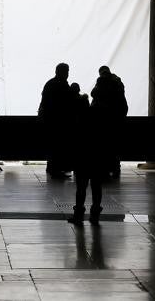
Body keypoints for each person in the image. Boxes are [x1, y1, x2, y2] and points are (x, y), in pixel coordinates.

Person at [67, 81, 109, 226]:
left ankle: (79, 214)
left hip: (83, 156)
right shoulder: (104, 113)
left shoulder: (82, 117)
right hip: (97, 155)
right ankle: (95, 214)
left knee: (81, 187)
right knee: (96, 186)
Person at [91, 65, 127, 178]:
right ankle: (114, 167)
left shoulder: (103, 82)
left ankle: (106, 167)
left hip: (105, 119)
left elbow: (93, 93)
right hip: (116, 118)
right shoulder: (117, 82)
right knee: (114, 144)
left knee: (105, 144)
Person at [38, 62, 72, 179]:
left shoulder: (50, 83)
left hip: (50, 119)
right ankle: (56, 170)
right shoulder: (61, 84)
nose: (67, 74)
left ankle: (52, 167)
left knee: (53, 145)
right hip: (57, 120)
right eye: (66, 71)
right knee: (58, 145)